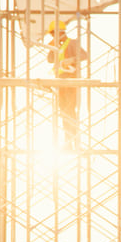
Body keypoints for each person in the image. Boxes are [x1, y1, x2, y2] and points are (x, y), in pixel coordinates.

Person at [45, 19, 87, 151]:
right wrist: (54, 47)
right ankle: (68, 142)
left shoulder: (72, 43)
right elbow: (50, 59)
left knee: (70, 111)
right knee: (64, 112)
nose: (53, 36)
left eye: (54, 34)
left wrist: (72, 59)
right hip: (60, 82)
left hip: (71, 80)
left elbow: (84, 55)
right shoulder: (56, 45)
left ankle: (75, 141)